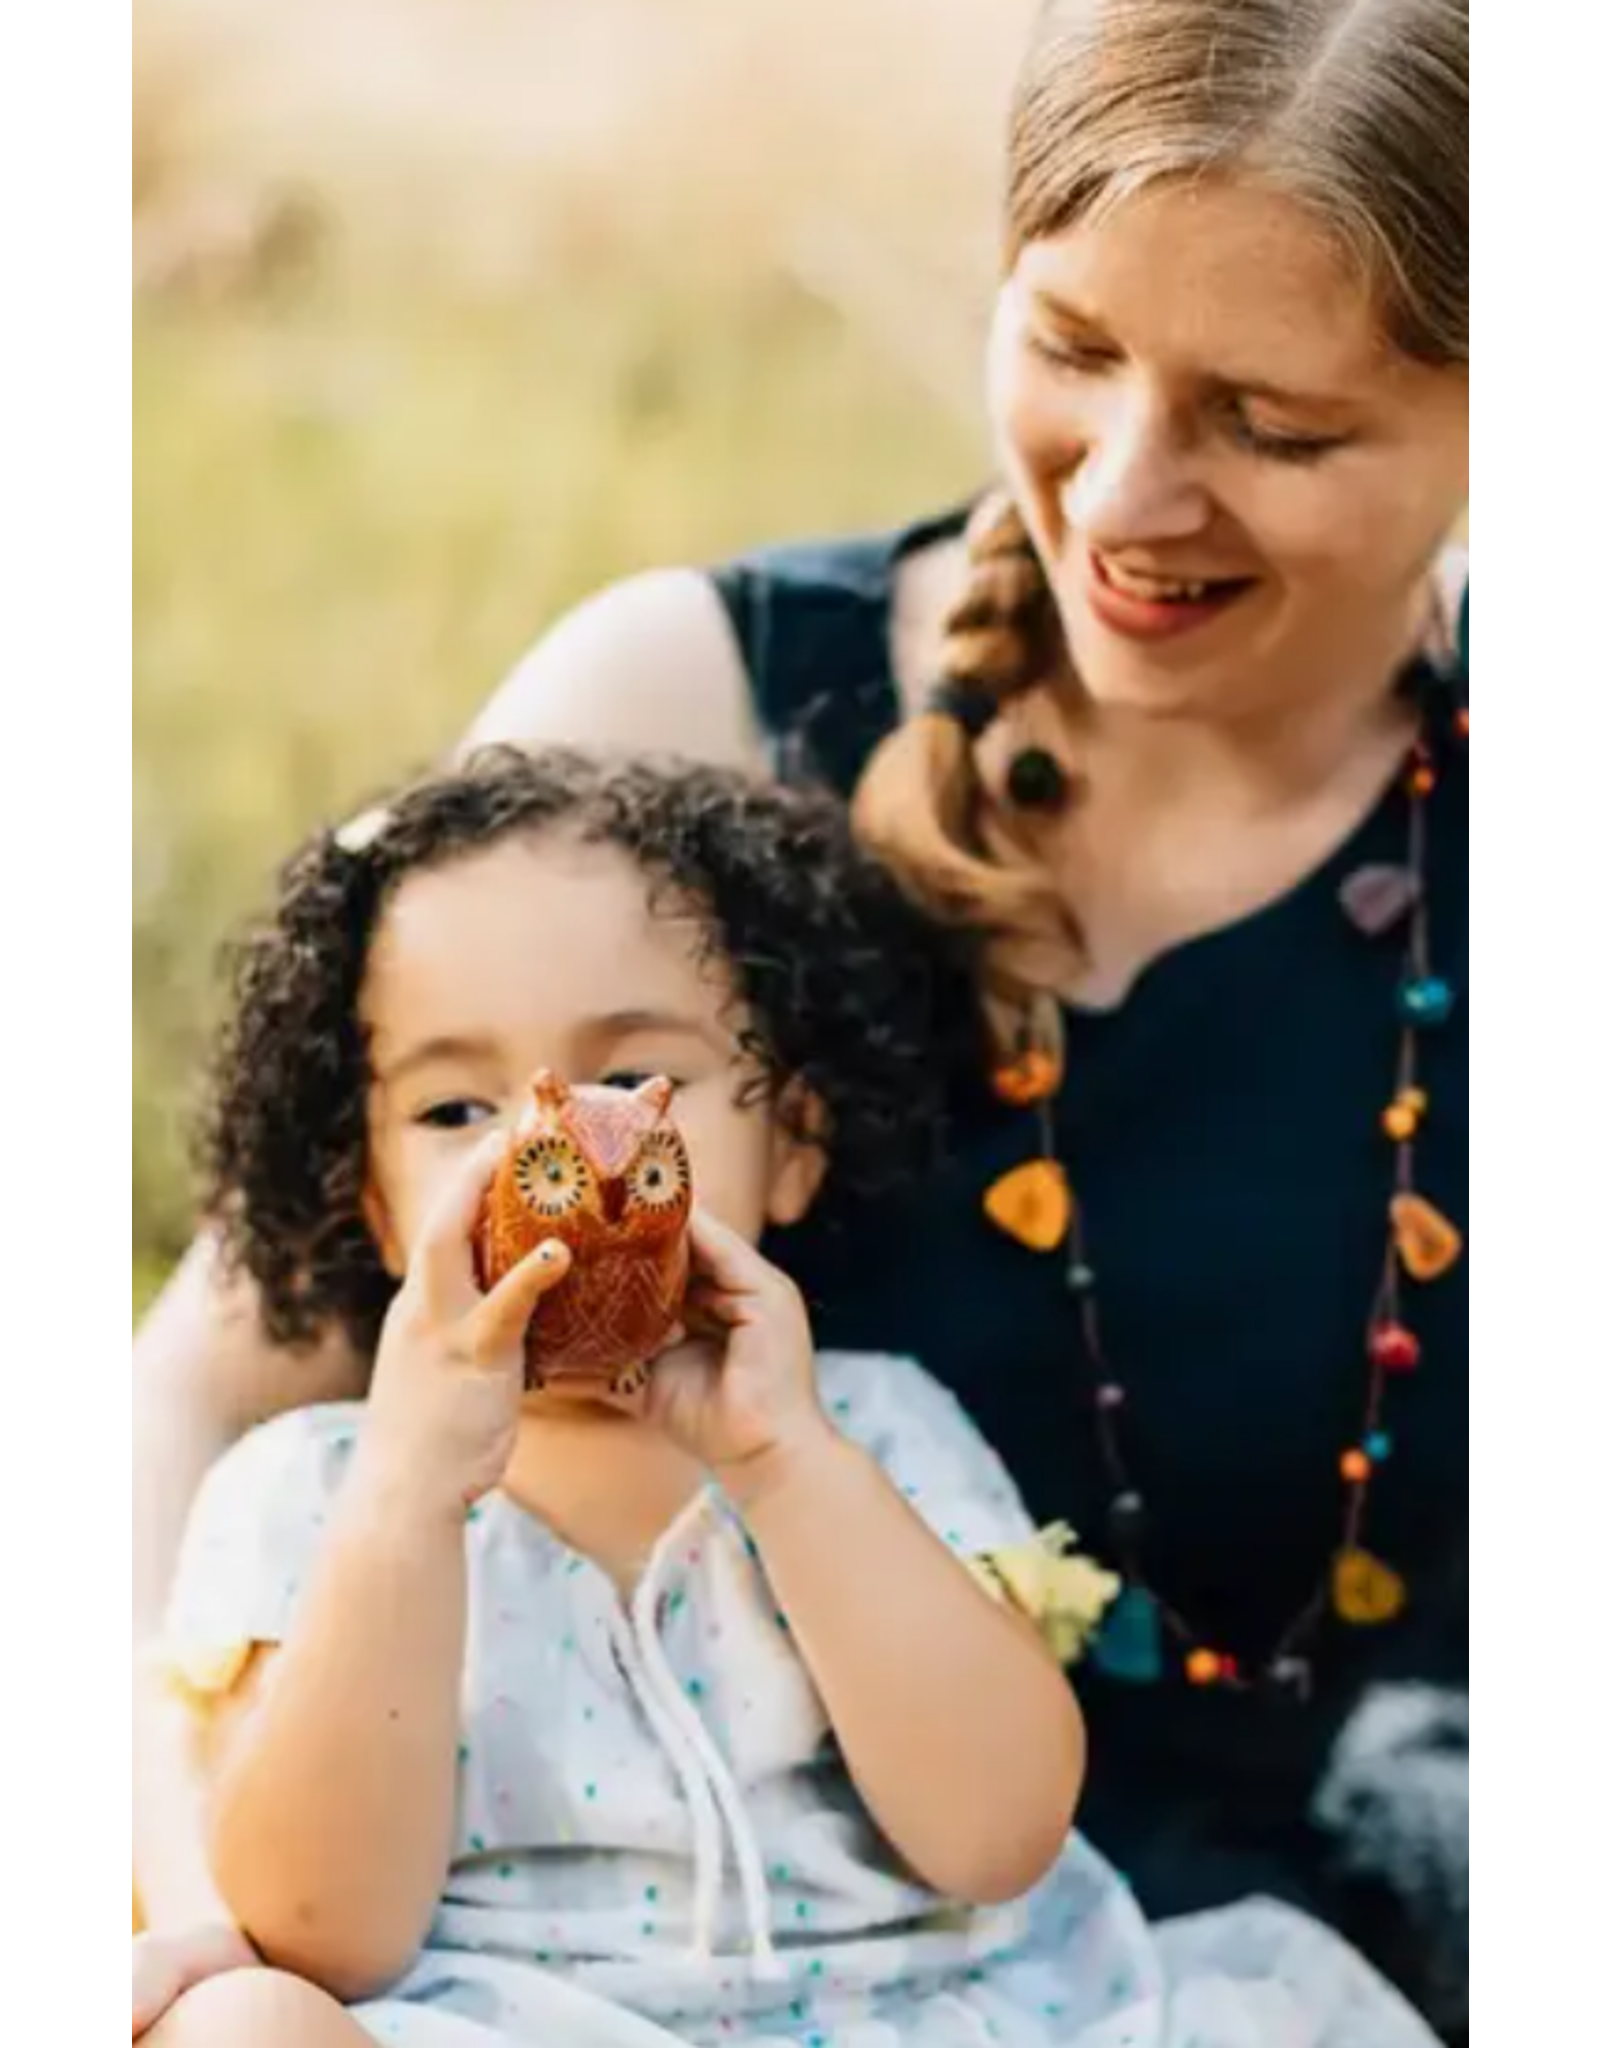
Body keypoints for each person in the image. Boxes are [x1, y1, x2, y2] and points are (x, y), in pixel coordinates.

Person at [132, 0, 1470, 2035]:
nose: (1118, 495)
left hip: (1123, 1955)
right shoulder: (692, 712)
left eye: (1269, 424)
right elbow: (209, 1382)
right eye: (1070, 345)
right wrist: (196, 1910)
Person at [145, 747, 1442, 2047]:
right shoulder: (314, 1489)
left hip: (928, 2015)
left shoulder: (875, 1433)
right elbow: (323, 1930)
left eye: (629, 1085)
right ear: (374, 1207)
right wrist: (407, 1498)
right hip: (514, 2022)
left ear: (795, 1149)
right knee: (247, 2024)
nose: (556, 1156)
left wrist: (786, 1466)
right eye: (457, 1106)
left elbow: (997, 1837)